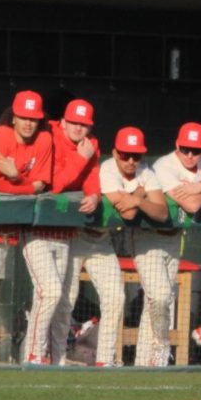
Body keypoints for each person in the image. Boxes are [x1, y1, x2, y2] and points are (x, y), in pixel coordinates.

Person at [146, 122, 201, 367]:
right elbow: (192, 206)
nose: (190, 155)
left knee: (160, 300)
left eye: (195, 150)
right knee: (159, 298)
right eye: (185, 149)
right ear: (177, 145)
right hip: (149, 237)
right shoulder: (165, 165)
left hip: (174, 238)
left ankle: (152, 360)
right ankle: (154, 355)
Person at [50, 99, 124, 368]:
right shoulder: (51, 138)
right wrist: (81, 158)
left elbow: (92, 173)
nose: (79, 128)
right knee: (65, 299)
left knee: (116, 296)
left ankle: (104, 359)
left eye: (84, 124)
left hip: (94, 238)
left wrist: (93, 194)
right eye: (75, 122)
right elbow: (56, 185)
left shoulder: (91, 143)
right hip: (65, 234)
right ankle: (57, 356)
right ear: (64, 121)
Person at [0, 91, 57, 365]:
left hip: (17, 228)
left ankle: (35, 353)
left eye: (33, 119)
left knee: (49, 291)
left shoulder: (44, 139)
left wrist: (15, 176)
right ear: (13, 118)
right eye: (23, 118)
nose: (28, 123)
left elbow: (42, 185)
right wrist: (26, 184)